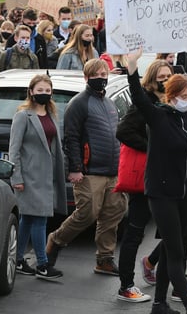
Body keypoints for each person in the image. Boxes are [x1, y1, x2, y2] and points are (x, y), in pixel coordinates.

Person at [123, 48, 187, 314]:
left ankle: (159, 304)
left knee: (172, 250)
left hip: (186, 192)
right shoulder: (158, 116)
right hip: (162, 194)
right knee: (176, 251)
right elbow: (137, 95)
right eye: (184, 97)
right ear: (171, 97)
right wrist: (132, 67)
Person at [46, 59, 126, 278]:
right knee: (86, 214)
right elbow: (71, 138)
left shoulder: (109, 103)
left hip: (113, 171)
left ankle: (105, 259)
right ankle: (56, 241)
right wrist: (75, 168)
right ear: (86, 77)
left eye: (104, 74)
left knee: (112, 215)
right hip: (90, 171)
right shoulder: (78, 103)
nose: (101, 78)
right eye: (96, 74)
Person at [115, 60, 173, 303]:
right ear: (152, 78)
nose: (165, 80)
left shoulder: (172, 101)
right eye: (161, 77)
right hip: (145, 178)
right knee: (135, 232)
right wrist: (151, 148)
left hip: (167, 178)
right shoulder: (145, 100)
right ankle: (126, 285)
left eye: (169, 76)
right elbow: (123, 131)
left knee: (174, 232)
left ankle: (163, 273)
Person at [9, 74, 67, 281]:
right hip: (29, 177)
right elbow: (14, 150)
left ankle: (17, 260)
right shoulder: (23, 116)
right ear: (31, 91)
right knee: (40, 219)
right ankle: (42, 264)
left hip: (47, 176)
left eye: (47, 90)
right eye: (40, 90)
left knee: (27, 219)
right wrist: (16, 177)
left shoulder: (51, 114)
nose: (44, 93)